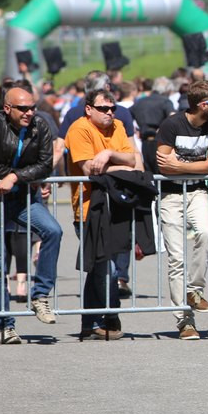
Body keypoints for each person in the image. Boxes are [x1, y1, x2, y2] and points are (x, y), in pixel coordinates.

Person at [0, 85, 62, 343]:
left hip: (23, 199)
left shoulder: (41, 126)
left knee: (53, 231)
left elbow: (45, 164)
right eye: (23, 108)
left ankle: (40, 295)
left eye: (32, 107)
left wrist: (16, 176)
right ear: (7, 108)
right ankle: (5, 326)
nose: (29, 113)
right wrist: (25, 174)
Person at [64, 88, 143, 340]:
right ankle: (111, 317)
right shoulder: (79, 129)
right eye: (103, 109)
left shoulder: (118, 125)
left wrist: (109, 154)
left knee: (98, 266)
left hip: (115, 206)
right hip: (89, 209)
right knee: (104, 266)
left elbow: (135, 162)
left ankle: (90, 323)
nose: (109, 113)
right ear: (89, 109)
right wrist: (123, 165)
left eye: (112, 108)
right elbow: (90, 168)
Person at [154, 80, 208, 340]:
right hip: (170, 195)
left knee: (207, 234)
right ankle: (185, 322)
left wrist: (179, 164)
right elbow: (164, 167)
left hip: (197, 191)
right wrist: (183, 166)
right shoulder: (172, 124)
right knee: (177, 259)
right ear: (201, 105)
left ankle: (194, 291)